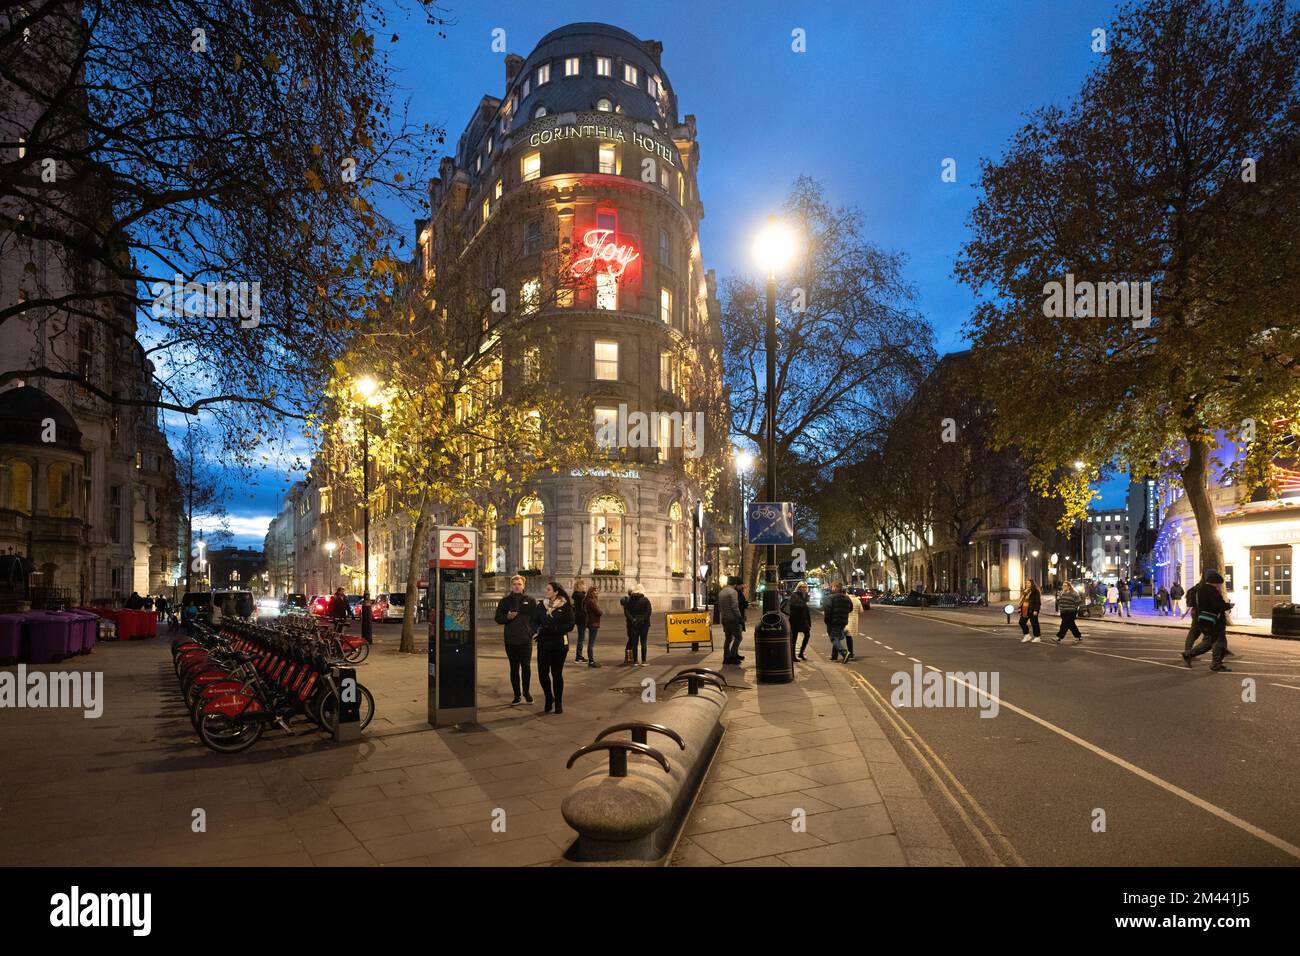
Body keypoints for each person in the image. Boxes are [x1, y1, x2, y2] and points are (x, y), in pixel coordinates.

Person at [494, 575, 537, 705]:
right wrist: (507, 617)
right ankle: (517, 695)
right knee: (514, 668)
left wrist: (531, 632)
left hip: (525, 640)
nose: (517, 586)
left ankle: (526, 692)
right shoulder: (505, 601)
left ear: (523, 585)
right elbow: (498, 618)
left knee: (526, 667)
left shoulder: (530, 600)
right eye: (514, 584)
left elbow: (536, 620)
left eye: (519, 584)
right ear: (511, 586)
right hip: (511, 640)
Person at [533, 582, 575, 713]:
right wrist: (537, 629)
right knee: (542, 673)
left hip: (559, 644)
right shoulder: (541, 605)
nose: (545, 591)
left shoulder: (566, 606)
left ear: (556, 592)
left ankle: (558, 702)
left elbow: (570, 625)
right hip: (544, 643)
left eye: (548, 589)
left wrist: (554, 628)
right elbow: (534, 621)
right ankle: (548, 697)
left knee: (557, 674)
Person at [1183, 570, 1232, 671]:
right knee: (1218, 642)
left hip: (1204, 620)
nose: (1220, 586)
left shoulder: (1200, 590)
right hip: (1215, 621)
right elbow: (1218, 605)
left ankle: (1189, 654)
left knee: (1211, 642)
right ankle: (1215, 664)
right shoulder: (1212, 591)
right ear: (1215, 582)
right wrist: (1228, 606)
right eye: (1219, 584)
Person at [621, 582, 652, 666]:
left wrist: (633, 620)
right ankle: (644, 661)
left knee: (634, 643)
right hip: (644, 624)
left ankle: (635, 661)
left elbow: (627, 612)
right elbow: (648, 611)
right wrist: (642, 619)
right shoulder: (645, 600)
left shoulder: (630, 600)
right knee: (643, 643)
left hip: (633, 624)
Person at [823, 581, 855, 662]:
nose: (831, 588)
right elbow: (850, 609)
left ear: (835, 587)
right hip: (843, 621)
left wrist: (826, 620)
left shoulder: (830, 597)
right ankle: (834, 656)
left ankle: (844, 652)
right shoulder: (847, 598)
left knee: (834, 638)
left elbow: (827, 610)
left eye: (832, 586)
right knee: (837, 637)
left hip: (833, 621)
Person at [718, 577, 744, 665]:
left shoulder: (721, 592)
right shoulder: (733, 592)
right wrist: (739, 617)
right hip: (732, 618)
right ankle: (732, 656)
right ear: (735, 584)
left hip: (724, 618)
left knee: (728, 638)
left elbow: (719, 607)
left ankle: (726, 657)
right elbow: (734, 606)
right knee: (738, 637)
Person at [787, 582, 812, 661]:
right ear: (799, 587)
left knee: (807, 635)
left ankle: (801, 653)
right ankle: (792, 656)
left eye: (805, 587)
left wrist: (809, 621)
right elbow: (793, 605)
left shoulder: (805, 596)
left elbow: (806, 609)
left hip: (804, 619)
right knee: (794, 638)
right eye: (802, 587)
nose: (804, 588)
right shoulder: (794, 595)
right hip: (796, 619)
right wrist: (803, 605)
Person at [582, 586, 602, 668]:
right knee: (591, 643)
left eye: (597, 591)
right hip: (593, 623)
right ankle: (591, 661)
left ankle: (591, 660)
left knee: (591, 643)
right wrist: (600, 611)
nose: (597, 593)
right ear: (591, 592)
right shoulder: (591, 601)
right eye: (595, 591)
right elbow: (598, 612)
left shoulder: (587, 600)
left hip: (591, 623)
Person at [572, 577, 589, 662]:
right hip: (582, 618)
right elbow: (584, 608)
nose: (585, 587)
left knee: (581, 637)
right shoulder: (581, 596)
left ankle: (579, 655)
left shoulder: (576, 595)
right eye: (584, 585)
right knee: (581, 638)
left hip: (578, 618)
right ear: (580, 586)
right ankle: (579, 656)